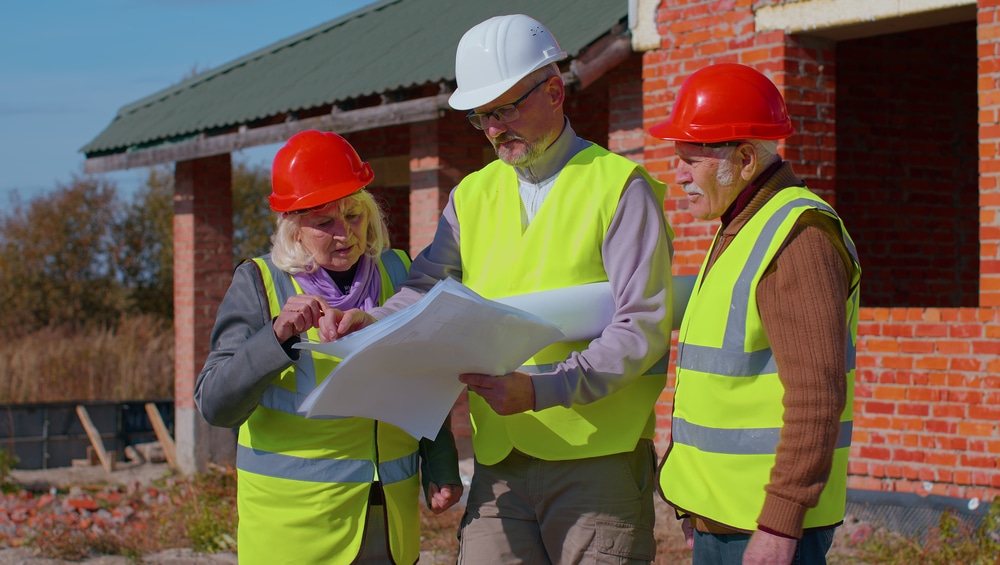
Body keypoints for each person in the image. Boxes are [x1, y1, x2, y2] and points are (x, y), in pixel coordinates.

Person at [329, 13, 675, 564]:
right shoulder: (471, 195)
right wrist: (374, 321)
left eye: (506, 108)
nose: (494, 128)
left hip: (597, 459)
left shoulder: (619, 188)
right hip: (500, 461)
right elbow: (425, 285)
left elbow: (643, 328)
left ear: (556, 92)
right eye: (482, 116)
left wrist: (541, 391)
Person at [194, 129, 463, 564]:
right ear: (294, 230)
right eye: (324, 223)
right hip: (293, 535)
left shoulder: (400, 272)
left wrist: (441, 464)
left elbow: (424, 379)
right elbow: (214, 404)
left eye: (354, 215)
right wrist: (276, 337)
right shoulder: (259, 284)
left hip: (387, 526)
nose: (346, 234)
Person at [648, 63, 861, 565]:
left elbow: (816, 395)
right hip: (722, 522)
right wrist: (694, 513)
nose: (676, 175)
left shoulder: (797, 237)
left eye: (689, 159)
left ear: (744, 158)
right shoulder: (740, 229)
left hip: (767, 532)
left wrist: (779, 526)